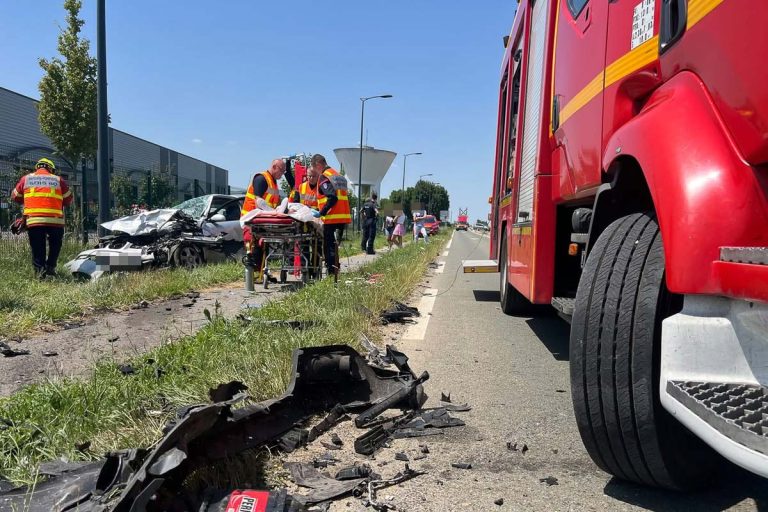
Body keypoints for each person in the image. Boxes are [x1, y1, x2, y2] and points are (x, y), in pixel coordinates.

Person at [10, 158, 73, 277]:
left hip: (34, 220)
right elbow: (69, 199)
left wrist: (29, 199)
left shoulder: (26, 179)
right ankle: (51, 267)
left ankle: (40, 274)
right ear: (51, 168)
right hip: (55, 220)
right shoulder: (58, 179)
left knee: (38, 246)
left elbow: (15, 196)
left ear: (37, 167)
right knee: (55, 244)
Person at [241, 158, 294, 282]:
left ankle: (261, 273)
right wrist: (274, 212)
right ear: (274, 167)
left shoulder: (273, 182)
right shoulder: (261, 178)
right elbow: (258, 201)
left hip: (264, 219)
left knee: (262, 246)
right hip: (251, 219)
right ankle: (254, 274)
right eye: (281, 170)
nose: (282, 174)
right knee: (253, 247)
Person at [311, 154, 351, 277]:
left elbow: (332, 197)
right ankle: (335, 271)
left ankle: (332, 274)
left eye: (314, 168)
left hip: (331, 218)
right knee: (335, 247)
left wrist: (321, 212)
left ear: (318, 165)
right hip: (342, 218)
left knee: (329, 248)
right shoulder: (338, 176)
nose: (315, 172)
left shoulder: (324, 176)